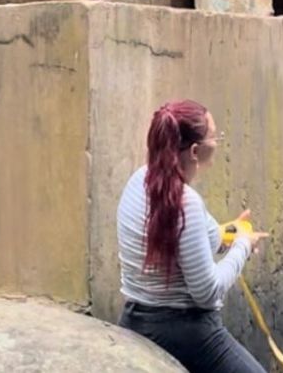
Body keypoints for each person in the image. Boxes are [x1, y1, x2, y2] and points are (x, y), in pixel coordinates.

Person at [116, 100, 270, 373]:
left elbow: (202, 235)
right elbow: (207, 292)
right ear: (196, 151)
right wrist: (243, 246)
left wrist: (231, 232)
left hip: (135, 319)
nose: (218, 142)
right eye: (215, 137)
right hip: (184, 329)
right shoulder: (186, 203)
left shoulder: (139, 180)